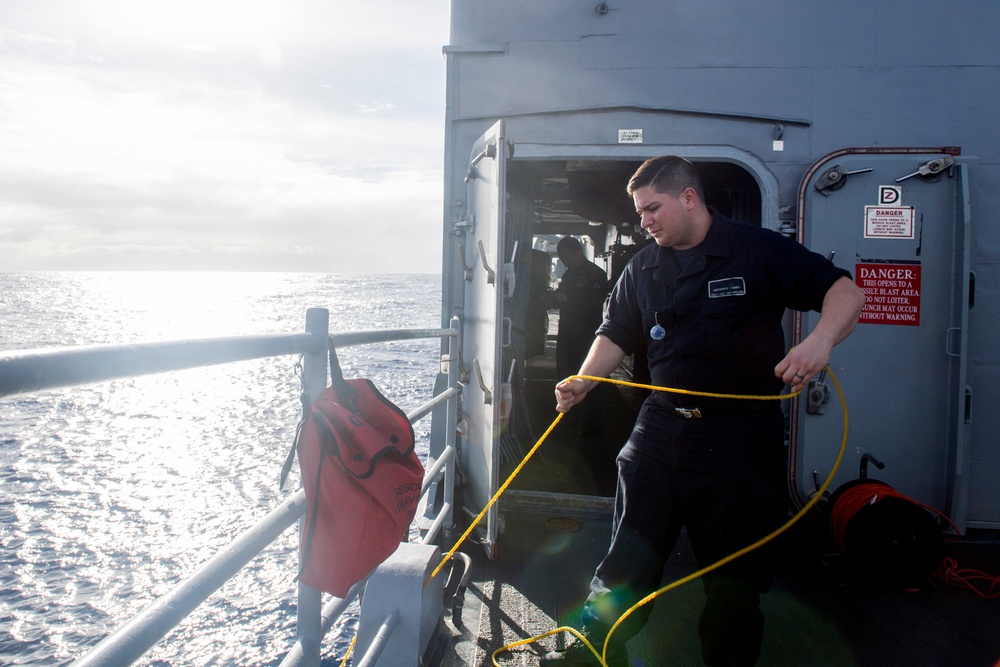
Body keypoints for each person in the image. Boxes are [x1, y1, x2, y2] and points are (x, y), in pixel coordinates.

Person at [541, 156, 865, 667]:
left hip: (738, 438)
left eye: (652, 208)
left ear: (689, 197)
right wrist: (585, 378)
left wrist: (819, 342)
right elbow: (616, 332)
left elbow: (843, 292)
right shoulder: (642, 267)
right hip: (661, 424)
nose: (644, 221)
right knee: (625, 558)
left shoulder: (755, 250)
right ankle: (594, 652)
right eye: (639, 212)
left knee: (733, 577)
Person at [553, 236, 610, 378]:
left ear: (578, 252)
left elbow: (597, 300)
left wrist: (569, 298)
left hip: (586, 334)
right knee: (565, 373)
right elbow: (562, 292)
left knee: (585, 374)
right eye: (563, 260)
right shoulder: (568, 275)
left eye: (567, 259)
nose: (566, 263)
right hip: (567, 333)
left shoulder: (597, 274)